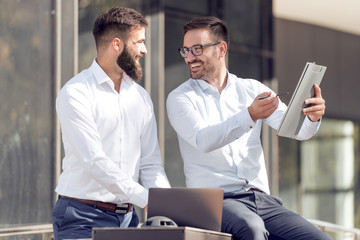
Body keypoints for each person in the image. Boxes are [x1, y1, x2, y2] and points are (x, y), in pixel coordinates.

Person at [166, 16, 331, 240]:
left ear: (221, 49)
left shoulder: (252, 88)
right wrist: (250, 115)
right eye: (185, 51)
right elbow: (203, 140)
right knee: (251, 229)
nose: (190, 58)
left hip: (264, 201)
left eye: (197, 49)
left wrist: (312, 117)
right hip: (216, 202)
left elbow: (297, 131)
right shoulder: (180, 98)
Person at [52, 7, 170, 240]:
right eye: (139, 42)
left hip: (128, 218)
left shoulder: (141, 98)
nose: (144, 50)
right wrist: (146, 199)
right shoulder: (76, 93)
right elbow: (94, 161)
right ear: (117, 44)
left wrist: (166, 204)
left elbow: (151, 164)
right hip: (81, 217)